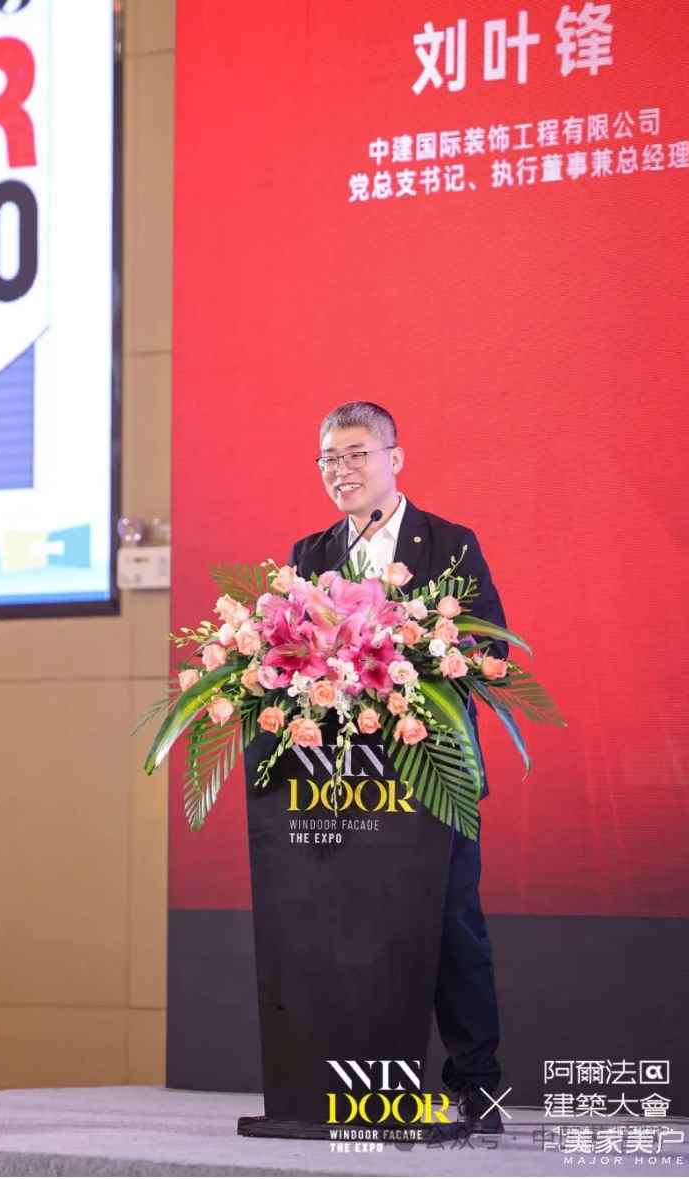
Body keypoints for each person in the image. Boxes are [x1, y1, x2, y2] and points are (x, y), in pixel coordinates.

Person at [288, 400, 507, 1138]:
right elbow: (294, 651)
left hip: (433, 772)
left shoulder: (448, 542)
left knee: (452, 929)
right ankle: (363, 1086)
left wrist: (412, 656)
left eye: (355, 454)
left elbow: (490, 648)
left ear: (394, 458)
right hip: (345, 779)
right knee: (354, 933)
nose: (340, 470)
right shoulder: (311, 553)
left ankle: (475, 1088)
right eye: (328, 458)